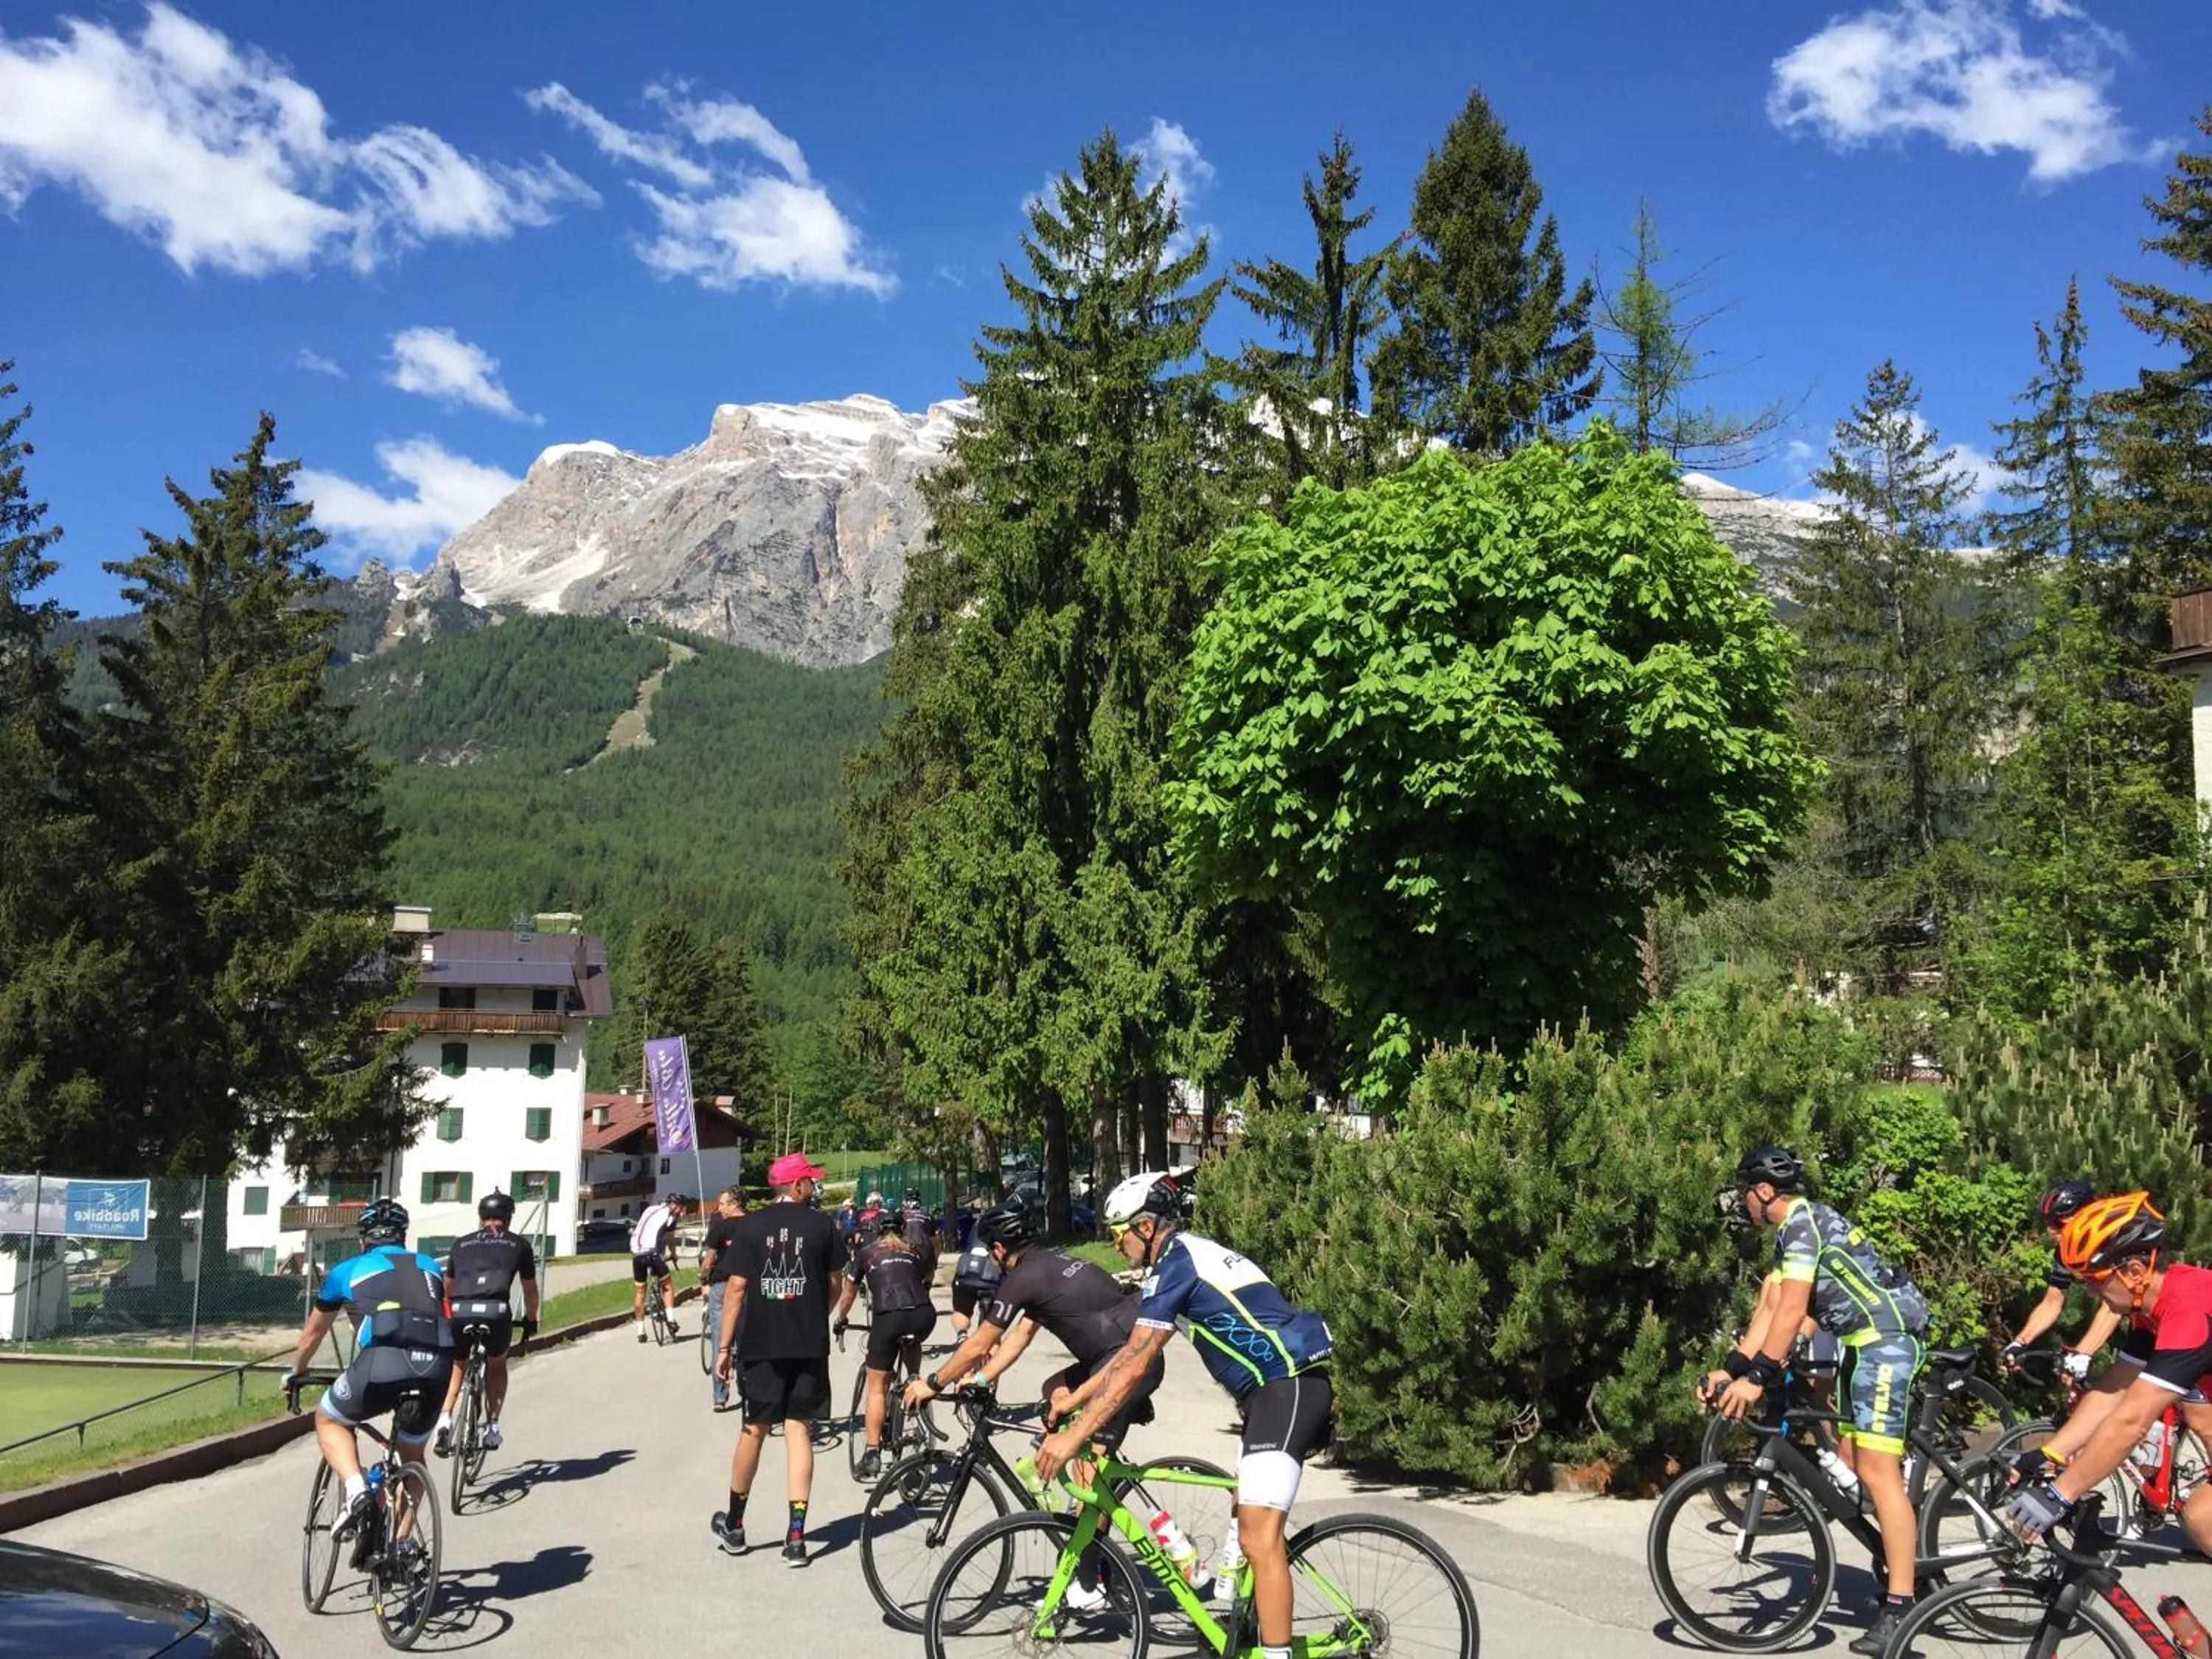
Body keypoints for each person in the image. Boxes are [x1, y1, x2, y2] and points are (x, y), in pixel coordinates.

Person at [1037, 1174, 1335, 1654]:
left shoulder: (1179, 1264)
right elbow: (1133, 1351)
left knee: (1260, 1537)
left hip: (1287, 1389)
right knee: (1246, 1521)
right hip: (1271, 1393)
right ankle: (1245, 1630)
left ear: (1148, 1227)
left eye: (1119, 1234)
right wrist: (1075, 1400)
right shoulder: (1183, 1258)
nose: (1117, 1245)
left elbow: (1135, 1366)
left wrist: (1075, 1439)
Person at [1705, 1146, 1929, 1657]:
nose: (1744, 1205)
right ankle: (1899, 1553)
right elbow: (1771, 1312)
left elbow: (1792, 1317)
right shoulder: (1796, 1230)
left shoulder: (1803, 1227)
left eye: (1746, 1195)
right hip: (1861, 1343)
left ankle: (1902, 1603)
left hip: (1886, 1340)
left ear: (1764, 1192)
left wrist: (1758, 1378)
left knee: (1878, 1474)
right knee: (1851, 1461)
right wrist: (1732, 1368)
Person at [2008, 1192, 2212, 1554]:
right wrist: (2050, 1454)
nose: (2088, 1290)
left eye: (2096, 1279)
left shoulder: (2189, 1311)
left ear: (2134, 1272)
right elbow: (2113, 1391)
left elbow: (2131, 1421)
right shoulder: (2151, 1310)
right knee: (2203, 1517)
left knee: (2203, 1515)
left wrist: (2060, 1494)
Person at [285, 1198, 453, 1555]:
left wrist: (295, 1373)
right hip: (436, 1366)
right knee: (412, 1457)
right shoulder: (430, 1268)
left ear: (364, 1239)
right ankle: (401, 1544)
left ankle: (357, 1489)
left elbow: (312, 1335)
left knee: (330, 1417)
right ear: (403, 1237)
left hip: (383, 1363)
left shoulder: (347, 1271)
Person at [712, 1152, 846, 1565]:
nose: (814, 1187)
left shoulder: (751, 1226)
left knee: (754, 1428)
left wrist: (723, 1348)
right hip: (808, 1343)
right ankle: (796, 1536)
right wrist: (813, 1314)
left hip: (762, 1344)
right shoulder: (823, 1226)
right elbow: (836, 1284)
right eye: (810, 1181)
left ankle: (735, 1525)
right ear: (798, 1185)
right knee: (798, 1430)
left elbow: (736, 1288)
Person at [433, 1190, 541, 1456]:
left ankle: (444, 1419)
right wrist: (530, 1320)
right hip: (496, 1312)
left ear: (481, 1218)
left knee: (458, 1362)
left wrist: (446, 1313)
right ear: (509, 1219)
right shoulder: (519, 1245)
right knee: (496, 1362)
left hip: (459, 1311)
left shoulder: (461, 1243)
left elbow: (447, 1286)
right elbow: (530, 1291)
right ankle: (492, 1428)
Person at [835, 1204, 938, 1479]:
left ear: (877, 1231)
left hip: (889, 1317)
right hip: (923, 1314)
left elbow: (848, 1295)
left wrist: (840, 1320)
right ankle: (913, 1380)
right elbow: (927, 1276)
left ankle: (872, 1453)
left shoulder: (866, 1253)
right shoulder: (913, 1250)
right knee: (912, 1340)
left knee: (877, 1389)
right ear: (903, 1229)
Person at [2002, 1180, 2124, 1378]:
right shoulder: (2064, 1253)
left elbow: (2113, 1308)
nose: (2051, 1231)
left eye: (2059, 1223)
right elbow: (2052, 1301)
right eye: (2048, 1223)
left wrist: (2082, 1353)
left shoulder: (2110, 1244)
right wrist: (2020, 1342)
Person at [700, 1186, 748, 1412]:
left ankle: (720, 1397)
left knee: (720, 1340)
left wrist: (703, 1278)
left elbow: (709, 1258)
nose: (720, 1209)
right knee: (747, 1338)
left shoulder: (720, 1226)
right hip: (747, 1284)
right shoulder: (754, 1224)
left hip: (722, 1284)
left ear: (734, 1203)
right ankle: (747, 1390)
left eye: (723, 1204)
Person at [630, 1194, 685, 1342]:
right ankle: (671, 1320)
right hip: (652, 1253)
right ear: (674, 1205)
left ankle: (640, 1332)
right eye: (681, 1208)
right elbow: (670, 1237)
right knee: (667, 1285)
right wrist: (673, 1254)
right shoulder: (670, 1216)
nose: (681, 1211)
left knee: (640, 1291)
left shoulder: (650, 1209)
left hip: (636, 1254)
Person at [948, 1220, 1003, 1339]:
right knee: (991, 1332)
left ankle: (962, 1334)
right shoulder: (1005, 1227)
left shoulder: (979, 1224)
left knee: (961, 1312)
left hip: (966, 1274)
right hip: (990, 1279)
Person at [900, 1186, 941, 1279]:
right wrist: (935, 1259)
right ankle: (927, 1285)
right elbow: (936, 1241)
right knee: (929, 1271)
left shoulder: (902, 1217)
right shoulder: (927, 1216)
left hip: (907, 1252)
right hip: (925, 1251)